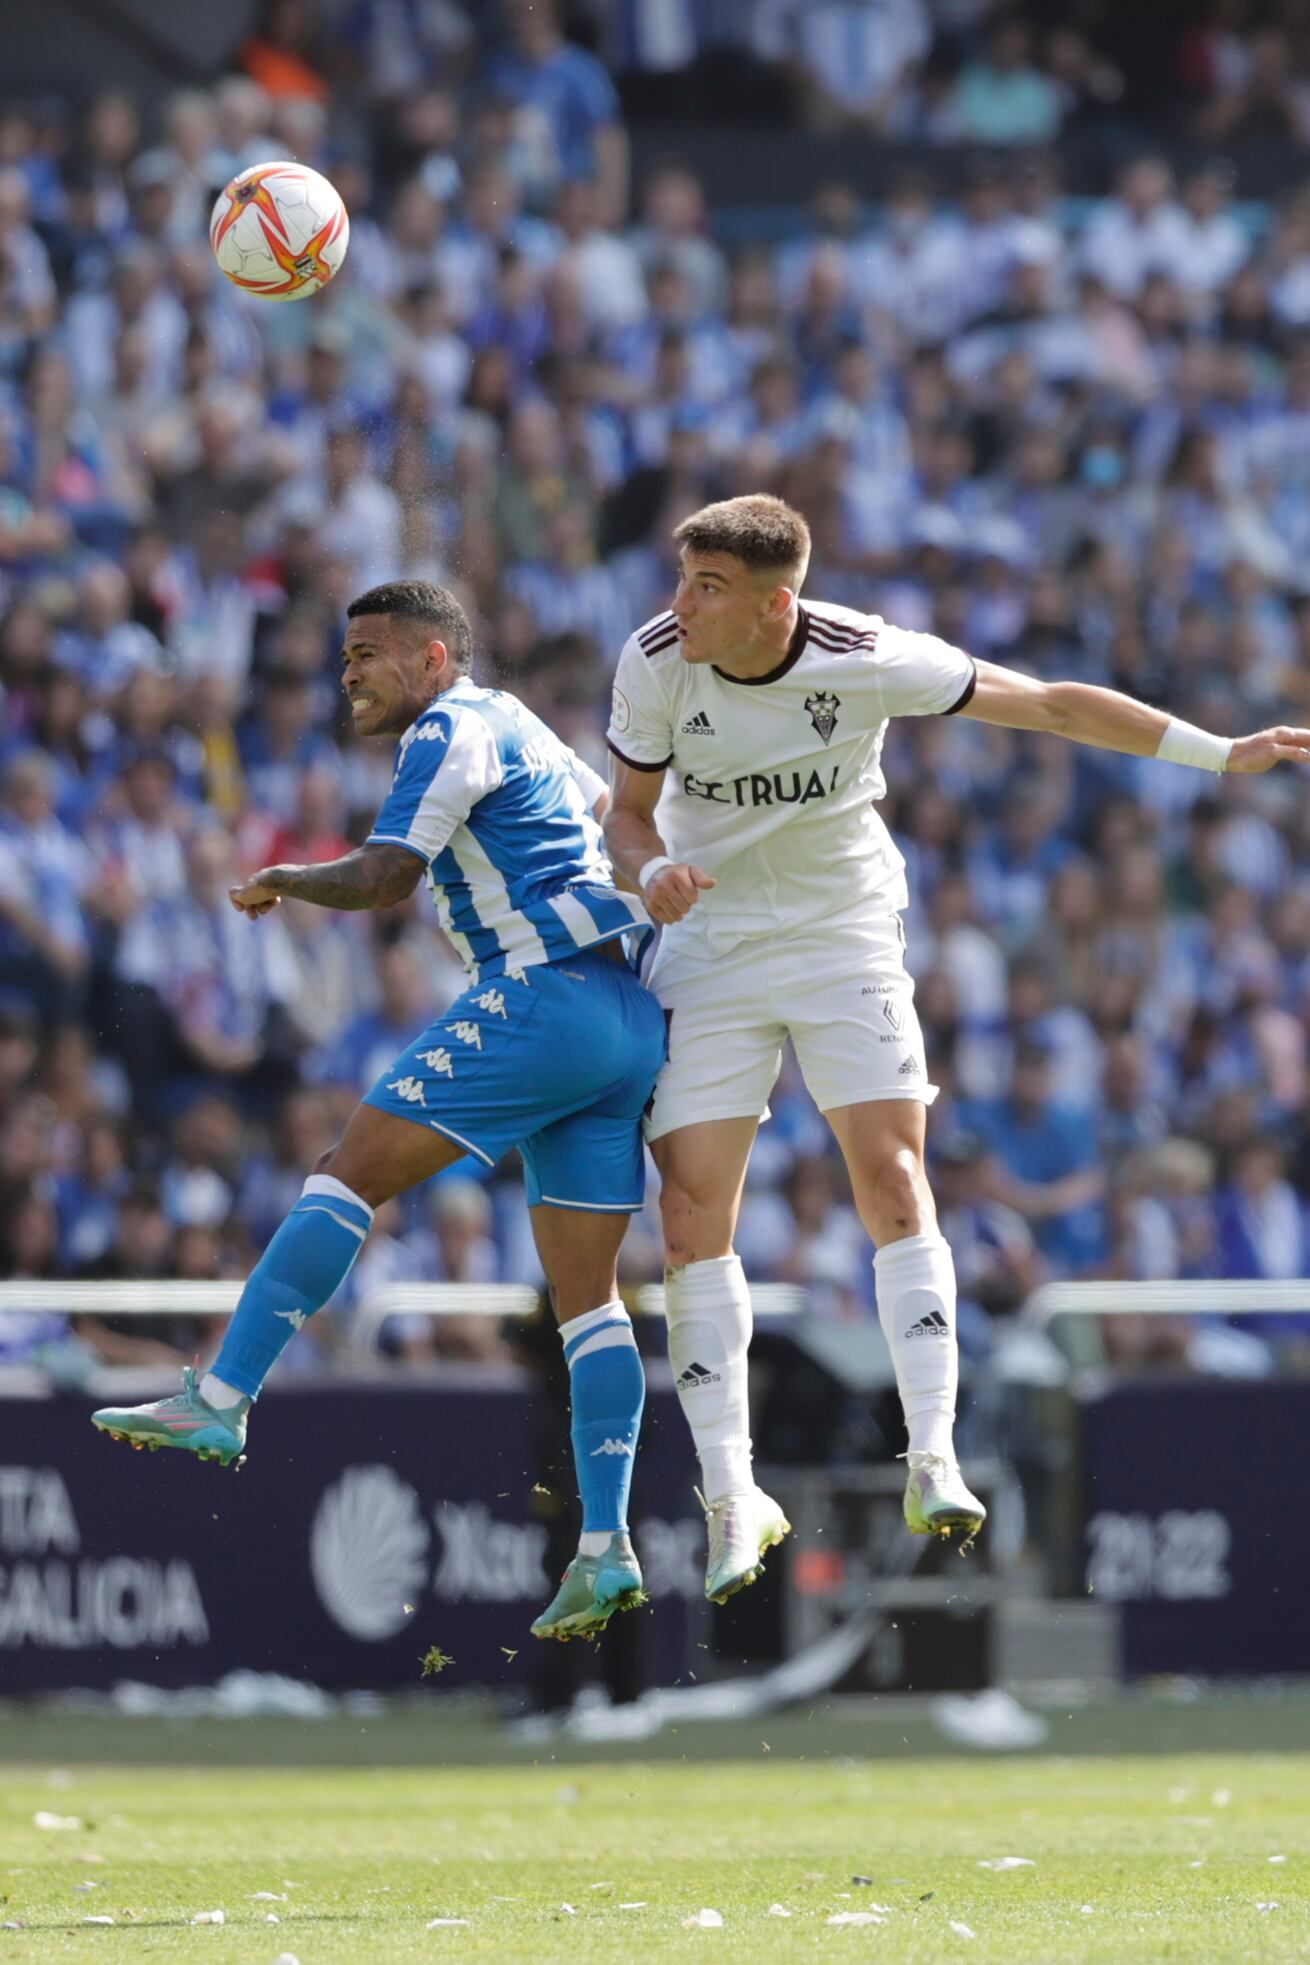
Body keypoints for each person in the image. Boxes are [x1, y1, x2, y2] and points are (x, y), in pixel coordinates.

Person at [602, 493, 1310, 1601]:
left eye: (706, 586)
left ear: (774, 602)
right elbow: (626, 813)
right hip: (712, 940)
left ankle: (931, 1454)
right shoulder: (655, 660)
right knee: (690, 1218)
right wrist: (650, 874)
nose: (677, 603)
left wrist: (1216, 754)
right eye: (682, 578)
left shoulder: (865, 654)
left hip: (840, 933)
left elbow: (1053, 709)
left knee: (891, 1176)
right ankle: (733, 1491)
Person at [92, 580, 667, 1644]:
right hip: (629, 1019)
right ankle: (604, 1545)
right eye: (342, 655)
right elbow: (620, 823)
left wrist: (286, 881)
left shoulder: (446, 730)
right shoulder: (525, 726)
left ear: (434, 659)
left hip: (543, 997)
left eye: (368, 653)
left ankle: (222, 1395)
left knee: (345, 1168)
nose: (347, 672)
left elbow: (386, 877)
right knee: (586, 1302)